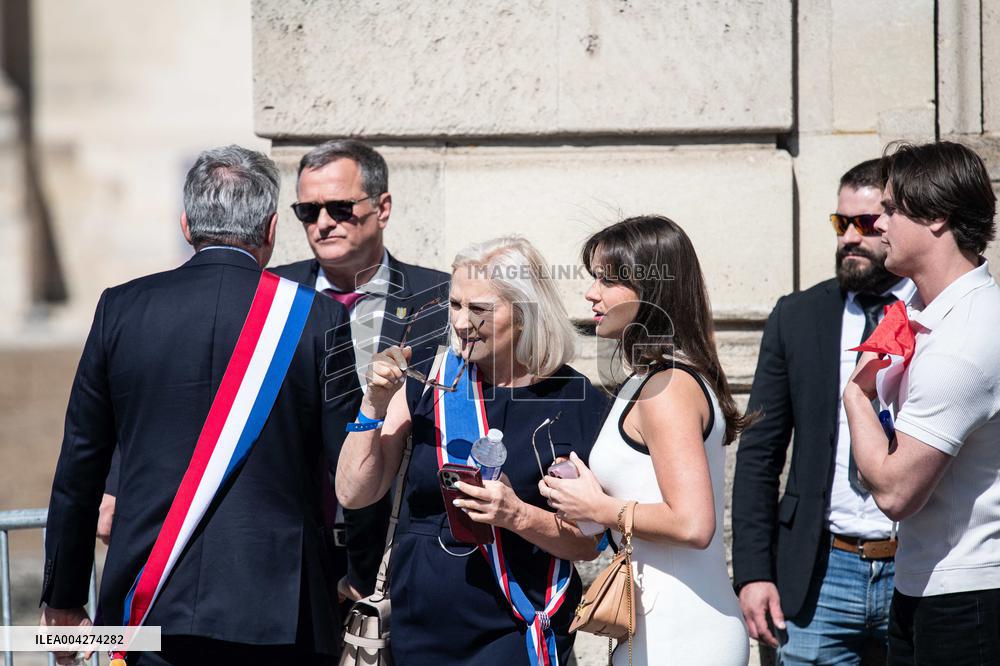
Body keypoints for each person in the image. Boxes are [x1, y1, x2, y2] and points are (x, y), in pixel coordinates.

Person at [40, 145, 360, 666]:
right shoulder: (317, 318)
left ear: (186, 224)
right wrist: (361, 575)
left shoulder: (120, 308)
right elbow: (348, 466)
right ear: (272, 230)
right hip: (280, 606)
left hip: (147, 599)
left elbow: (80, 465)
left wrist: (64, 598)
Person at [336, 236, 608, 665]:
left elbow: (588, 544)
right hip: (416, 629)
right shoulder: (429, 380)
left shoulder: (577, 401)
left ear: (523, 314)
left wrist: (517, 515)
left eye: (479, 309)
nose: (461, 323)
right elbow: (354, 493)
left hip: (515, 630)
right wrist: (373, 404)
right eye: (455, 305)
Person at [541, 215, 751, 665]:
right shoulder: (649, 380)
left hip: (683, 634)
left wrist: (597, 507)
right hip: (658, 628)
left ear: (652, 291)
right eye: (593, 277)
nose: (590, 293)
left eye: (607, 280)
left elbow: (693, 524)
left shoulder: (669, 386)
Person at [732, 159, 913, 663]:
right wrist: (752, 573)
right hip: (819, 573)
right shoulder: (798, 316)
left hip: (915, 567)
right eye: (841, 224)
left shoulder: (931, 312)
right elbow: (760, 453)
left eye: (866, 224)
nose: (850, 238)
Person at [273, 139, 450, 600]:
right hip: (290, 551)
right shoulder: (267, 293)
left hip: (401, 548)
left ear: (382, 207)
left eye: (340, 207)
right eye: (308, 212)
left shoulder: (440, 299)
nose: (324, 223)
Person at [845, 141, 1000, 664]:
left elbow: (893, 493)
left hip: (967, 597)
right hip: (920, 583)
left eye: (889, 210)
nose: (876, 225)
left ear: (935, 216)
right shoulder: (916, 307)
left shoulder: (966, 340)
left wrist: (854, 395)